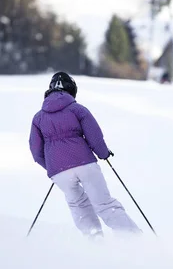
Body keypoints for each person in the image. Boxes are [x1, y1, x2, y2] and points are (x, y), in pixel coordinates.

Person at [29, 72, 141, 239]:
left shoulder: (38, 118)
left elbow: (36, 151)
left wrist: (53, 166)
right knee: (103, 203)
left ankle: (95, 240)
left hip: (59, 172)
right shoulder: (77, 109)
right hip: (85, 163)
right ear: (72, 89)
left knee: (78, 205)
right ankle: (134, 239)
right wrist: (103, 154)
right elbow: (94, 135)